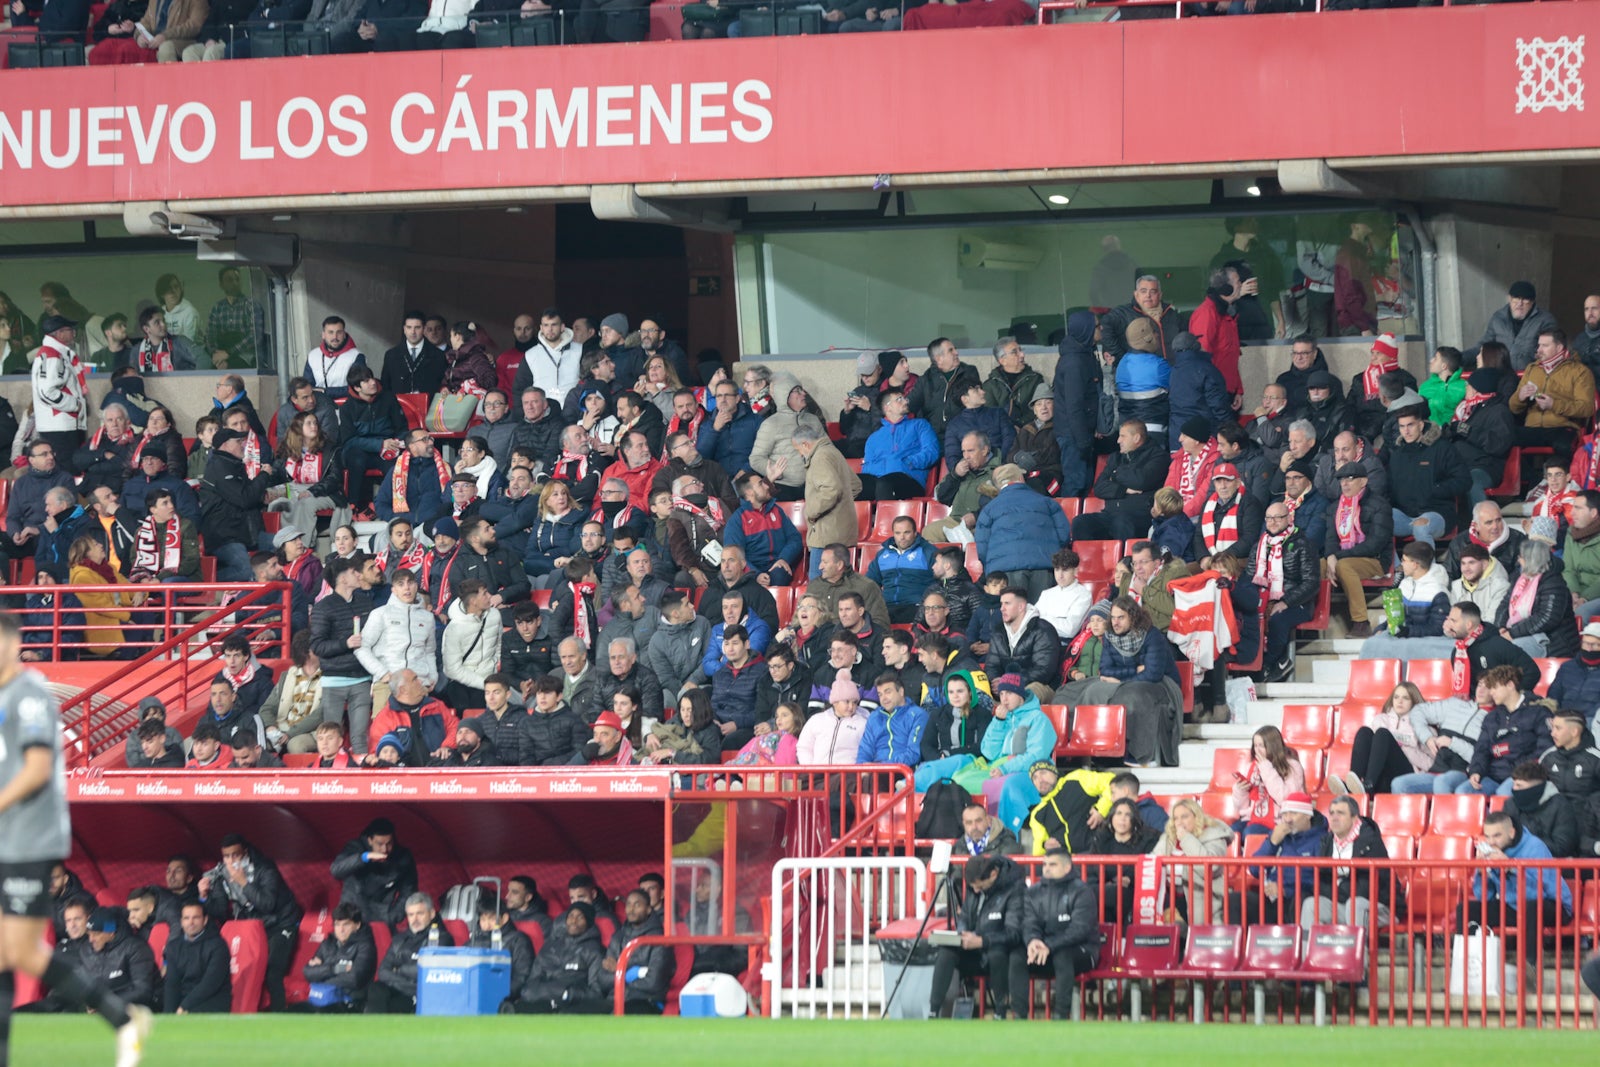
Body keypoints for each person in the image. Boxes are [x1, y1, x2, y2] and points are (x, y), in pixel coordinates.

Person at [0, 612, 152, 1059]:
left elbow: (38, 768)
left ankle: (123, 1020)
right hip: (9, 837)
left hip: (30, 837)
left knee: (24, 952)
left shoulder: (28, 696)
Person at [1058, 597, 1182, 768]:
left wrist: (1120, 679)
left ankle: (1138, 754)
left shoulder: (1152, 636)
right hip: (1120, 681)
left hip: (1160, 685)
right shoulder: (1109, 635)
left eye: (1121, 617)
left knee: (1131, 696)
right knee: (1067, 692)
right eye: (1113, 617)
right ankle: (1084, 745)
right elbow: (1106, 669)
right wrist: (1131, 672)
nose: (1115, 622)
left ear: (1133, 617)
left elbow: (1152, 673)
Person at [197, 834, 302, 1012]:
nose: (231, 861)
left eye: (235, 855)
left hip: (281, 924)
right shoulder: (221, 873)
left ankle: (280, 1017)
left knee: (272, 972)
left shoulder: (265, 868)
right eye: (226, 856)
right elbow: (221, 912)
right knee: (239, 967)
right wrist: (204, 897)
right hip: (253, 927)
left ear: (245, 853)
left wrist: (243, 882)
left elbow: (268, 904)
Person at [1457, 811, 1572, 956]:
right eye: (1487, 836)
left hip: (1554, 906)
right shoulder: (1491, 851)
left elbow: (1537, 894)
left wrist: (1511, 867)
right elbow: (1484, 897)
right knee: (1467, 909)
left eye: (1497, 836)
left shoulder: (1535, 847)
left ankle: (1530, 967)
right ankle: (1469, 964)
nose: (1491, 842)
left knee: (1532, 906)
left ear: (1511, 833)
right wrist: (1482, 872)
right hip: (1515, 906)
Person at [927, 854, 1026, 1020]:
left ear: (993, 874)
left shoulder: (1015, 890)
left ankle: (1000, 1012)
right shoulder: (974, 889)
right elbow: (965, 916)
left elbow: (1014, 933)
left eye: (980, 886)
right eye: (973, 887)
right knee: (947, 951)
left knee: (997, 953)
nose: (976, 890)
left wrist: (982, 941)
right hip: (974, 950)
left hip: (999, 951)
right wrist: (962, 933)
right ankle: (933, 1011)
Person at [1016, 848, 1101, 1022]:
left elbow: (1080, 929)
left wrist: (1049, 945)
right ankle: (1019, 1016)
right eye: (1045, 864)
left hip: (1082, 950)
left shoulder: (1082, 891)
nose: (1046, 869)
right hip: (1045, 950)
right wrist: (1033, 941)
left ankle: (1061, 1016)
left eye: (1052, 865)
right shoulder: (1033, 892)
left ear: (1067, 867)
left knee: (1062, 954)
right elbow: (1029, 923)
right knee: (1017, 955)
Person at [975, 464, 1073, 599]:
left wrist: (992, 567)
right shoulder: (1047, 502)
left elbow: (982, 546)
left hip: (1005, 570)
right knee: (1041, 615)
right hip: (1043, 565)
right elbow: (1064, 535)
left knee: (1014, 616)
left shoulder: (989, 509)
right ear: (1021, 478)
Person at [1461, 664, 1554, 796]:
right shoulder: (1492, 717)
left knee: (1503, 792)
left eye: (1494, 687)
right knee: (1464, 791)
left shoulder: (1538, 712)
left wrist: (1517, 768)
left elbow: (1545, 749)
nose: (1491, 692)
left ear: (1510, 685)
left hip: (1523, 775)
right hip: (1493, 775)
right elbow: (1481, 749)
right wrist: (1476, 771)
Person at [1323, 462, 1393, 638]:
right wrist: (1330, 556)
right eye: (1341, 480)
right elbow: (1330, 538)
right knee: (1316, 566)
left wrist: (1337, 557)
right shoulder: (1336, 507)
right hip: (1343, 558)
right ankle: (1312, 617)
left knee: (1344, 566)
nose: (1344, 484)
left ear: (1363, 481)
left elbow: (1375, 544)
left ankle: (1361, 623)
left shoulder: (1379, 505)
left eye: (1350, 479)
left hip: (1374, 560)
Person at [1071, 420, 1171, 543]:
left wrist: (1115, 474)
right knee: (1080, 522)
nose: (1118, 440)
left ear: (1136, 438)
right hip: (1110, 514)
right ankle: (1084, 562)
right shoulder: (1115, 457)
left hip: (1140, 516)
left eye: (1123, 436)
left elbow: (1141, 481)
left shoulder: (1158, 457)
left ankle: (1125, 562)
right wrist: (1124, 489)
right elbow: (1099, 488)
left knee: (1121, 522)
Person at [1301, 795, 1391, 926]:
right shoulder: (1326, 842)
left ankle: (1358, 947)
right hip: (1343, 903)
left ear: (1354, 819)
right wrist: (1338, 892)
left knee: (1355, 904)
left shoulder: (1370, 842)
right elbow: (1320, 881)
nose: (1334, 817)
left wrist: (1337, 890)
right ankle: (1307, 947)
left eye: (1341, 813)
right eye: (1332, 813)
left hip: (1379, 907)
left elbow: (1367, 888)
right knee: (1310, 904)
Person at [1509, 327, 1596, 456]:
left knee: (1563, 444)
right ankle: (1529, 476)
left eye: (1545, 345)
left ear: (1559, 347)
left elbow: (1587, 408)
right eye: (1539, 345)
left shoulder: (1580, 372)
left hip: (1562, 427)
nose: (1539, 350)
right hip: (1532, 428)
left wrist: (1553, 404)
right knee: (1503, 439)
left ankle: (1561, 476)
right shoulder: (1532, 369)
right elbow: (1513, 408)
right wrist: (1520, 397)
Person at [505, 903, 605, 1014]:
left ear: (588, 922)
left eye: (580, 917)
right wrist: (553, 992)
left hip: (571, 1005)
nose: (573, 921)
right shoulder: (550, 946)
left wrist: (568, 994)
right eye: (571, 916)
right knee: (510, 1010)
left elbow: (596, 992)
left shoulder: (595, 951)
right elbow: (532, 981)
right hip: (542, 1000)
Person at [367, 893, 455, 1014]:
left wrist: (398, 970)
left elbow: (427, 972)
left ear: (432, 914)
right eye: (411, 915)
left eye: (420, 913)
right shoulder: (399, 939)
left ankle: (372, 1029)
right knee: (376, 988)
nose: (415, 919)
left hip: (423, 994)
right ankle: (373, 1029)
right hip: (405, 989)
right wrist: (406, 982)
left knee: (387, 1006)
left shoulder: (442, 939)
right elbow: (383, 971)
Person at [1151, 798, 1234, 923]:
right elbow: (1152, 863)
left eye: (1184, 817)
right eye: (1175, 818)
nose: (1179, 822)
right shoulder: (1168, 838)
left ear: (1197, 817)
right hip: (1172, 901)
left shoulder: (1214, 836)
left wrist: (1185, 838)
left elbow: (1209, 867)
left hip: (1206, 904)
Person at [1449, 369, 1517, 507]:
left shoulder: (1499, 411)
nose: (1465, 388)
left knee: (1472, 481)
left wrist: (1466, 430)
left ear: (1476, 389)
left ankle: (1482, 521)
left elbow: (1498, 445)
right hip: (1460, 464)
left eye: (1468, 385)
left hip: (1485, 467)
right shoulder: (1466, 409)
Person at [1230, 724, 1306, 839]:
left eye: (1261, 746)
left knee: (1250, 833)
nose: (1257, 750)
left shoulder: (1292, 766)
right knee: (1230, 833)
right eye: (1255, 746)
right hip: (1253, 817)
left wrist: (1266, 768)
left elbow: (1284, 798)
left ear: (1272, 746)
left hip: (1280, 821)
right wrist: (1241, 790)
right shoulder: (1251, 767)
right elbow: (1242, 808)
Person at [859, 392, 938, 501]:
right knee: (853, 485)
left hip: (909, 479)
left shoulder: (920, 425)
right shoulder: (873, 438)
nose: (905, 401)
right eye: (899, 399)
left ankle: (886, 518)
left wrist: (908, 462)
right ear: (888, 407)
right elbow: (867, 466)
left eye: (905, 398)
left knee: (885, 483)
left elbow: (931, 452)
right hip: (880, 480)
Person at [1024, 761, 1115, 856]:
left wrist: (1101, 810)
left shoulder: (1076, 779)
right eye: (1035, 778)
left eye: (1043, 772)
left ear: (1054, 772)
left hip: (1099, 851)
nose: (1040, 780)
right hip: (1066, 864)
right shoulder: (1037, 815)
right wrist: (1044, 845)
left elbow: (1112, 782)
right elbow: (1037, 853)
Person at [302, 902, 378, 1013]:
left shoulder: (366, 946)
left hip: (349, 1001)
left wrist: (320, 975)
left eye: (346, 924)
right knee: (289, 1014)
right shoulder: (327, 943)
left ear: (357, 925)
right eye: (337, 924)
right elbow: (307, 972)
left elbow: (354, 979)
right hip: (321, 998)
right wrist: (336, 969)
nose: (341, 930)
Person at [1475, 280, 1561, 373]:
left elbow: (1551, 353)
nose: (1520, 304)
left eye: (1525, 299)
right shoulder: (1498, 318)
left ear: (1532, 302)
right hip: (1501, 377)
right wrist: (1460, 357)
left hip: (1530, 377)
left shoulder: (1545, 321)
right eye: (1516, 298)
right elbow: (1483, 347)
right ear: (1509, 298)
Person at [163, 902, 231, 1015]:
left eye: (196, 918)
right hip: (183, 1000)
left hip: (212, 1001)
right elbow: (172, 984)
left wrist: (184, 1007)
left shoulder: (218, 945)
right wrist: (169, 1015)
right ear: (181, 921)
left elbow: (210, 984)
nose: (191, 922)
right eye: (186, 918)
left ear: (205, 920)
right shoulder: (173, 946)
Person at [1101, 274, 1183, 362]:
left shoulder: (1172, 315)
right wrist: (1120, 357)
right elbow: (1105, 326)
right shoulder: (1123, 313)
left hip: (1169, 371)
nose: (1148, 295)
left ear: (1160, 295)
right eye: (1143, 291)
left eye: (1153, 291)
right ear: (1136, 294)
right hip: (1137, 373)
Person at [1507, 761, 1579, 858]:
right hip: (1514, 863)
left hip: (1549, 866)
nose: (1514, 789)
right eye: (1514, 784)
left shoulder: (1561, 806)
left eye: (1519, 785)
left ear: (1536, 787)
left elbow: (1562, 848)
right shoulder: (1510, 804)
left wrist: (1527, 842)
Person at [1116, 318, 1172, 439]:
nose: (1157, 335)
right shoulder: (1159, 365)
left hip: (1127, 430)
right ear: (1148, 339)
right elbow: (1176, 388)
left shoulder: (1122, 363)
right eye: (1153, 332)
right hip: (1153, 429)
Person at [1036, 548, 1092, 644]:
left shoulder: (1083, 595)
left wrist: (1042, 618)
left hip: (1064, 645)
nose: (1060, 575)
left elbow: (1069, 630)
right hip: (1040, 641)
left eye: (1065, 570)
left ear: (1075, 571)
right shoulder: (1046, 593)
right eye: (1057, 569)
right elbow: (1031, 618)